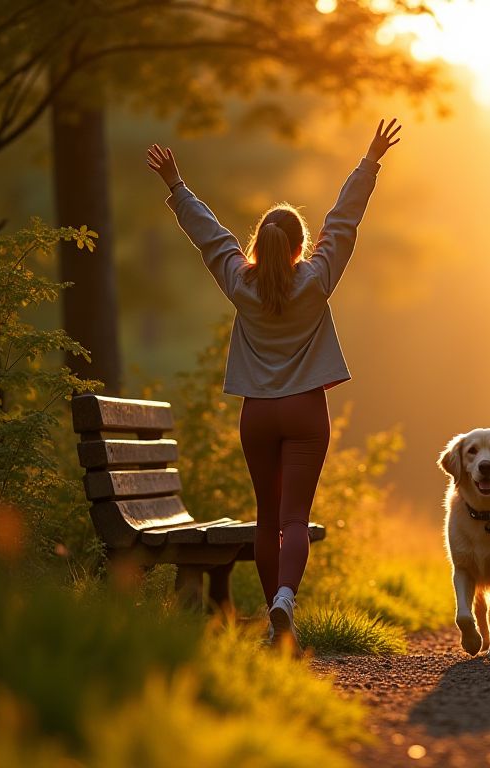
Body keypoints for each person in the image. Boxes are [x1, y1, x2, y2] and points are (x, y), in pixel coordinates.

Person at [146, 119, 402, 648]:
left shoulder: (241, 284)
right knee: (296, 516)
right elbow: (344, 220)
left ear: (258, 244)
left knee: (266, 517)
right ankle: (286, 598)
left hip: (258, 413)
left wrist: (177, 186)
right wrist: (369, 162)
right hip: (306, 411)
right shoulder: (316, 281)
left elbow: (210, 236)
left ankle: (273, 619)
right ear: (299, 246)